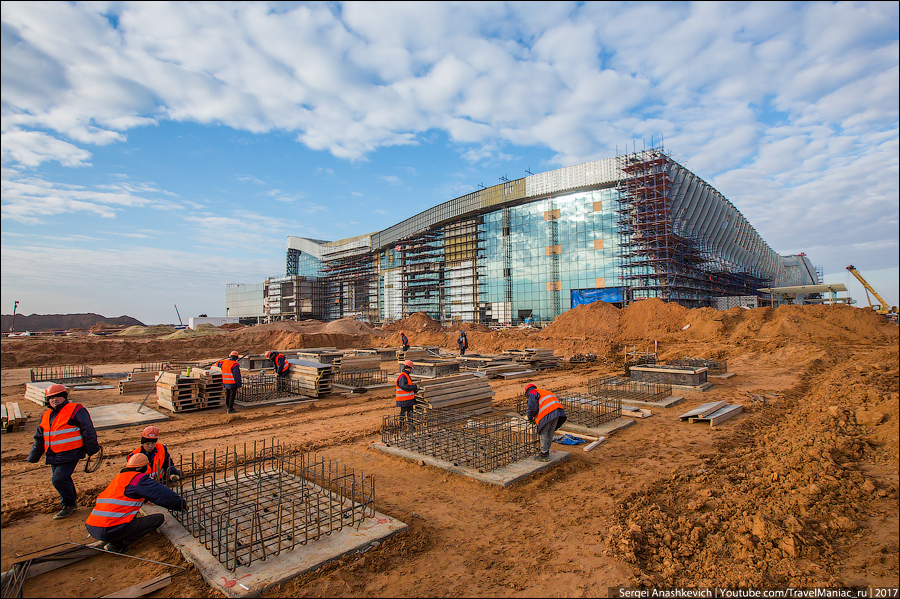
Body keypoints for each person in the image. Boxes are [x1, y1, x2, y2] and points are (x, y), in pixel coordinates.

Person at [85, 453, 187, 554]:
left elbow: (128, 495)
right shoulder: (138, 479)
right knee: (158, 519)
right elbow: (163, 495)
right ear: (143, 467)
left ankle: (113, 537)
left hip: (92, 526)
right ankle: (117, 544)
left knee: (131, 517)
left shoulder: (120, 478)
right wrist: (181, 504)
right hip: (108, 528)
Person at [26, 384, 101, 519]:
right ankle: (71, 503)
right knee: (63, 479)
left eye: (58, 397)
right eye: (51, 398)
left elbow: (88, 429)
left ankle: (68, 505)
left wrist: (92, 449)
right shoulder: (46, 415)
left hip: (71, 452)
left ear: (64, 397)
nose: (54, 400)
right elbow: (39, 437)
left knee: (58, 479)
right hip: (54, 454)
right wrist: (34, 456)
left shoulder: (76, 410)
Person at [524, 383, 567, 462]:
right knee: (550, 432)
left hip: (548, 412)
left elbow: (533, 407)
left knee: (543, 432)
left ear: (527, 392)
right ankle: (546, 452)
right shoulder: (544, 391)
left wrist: (529, 417)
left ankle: (544, 454)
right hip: (557, 412)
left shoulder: (532, 392)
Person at [396, 360, 419, 431]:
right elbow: (404, 386)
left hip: (408, 399)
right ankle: (402, 428)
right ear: (409, 368)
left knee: (410, 413)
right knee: (403, 414)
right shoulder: (403, 376)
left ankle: (410, 427)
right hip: (404, 399)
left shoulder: (406, 375)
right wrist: (413, 387)